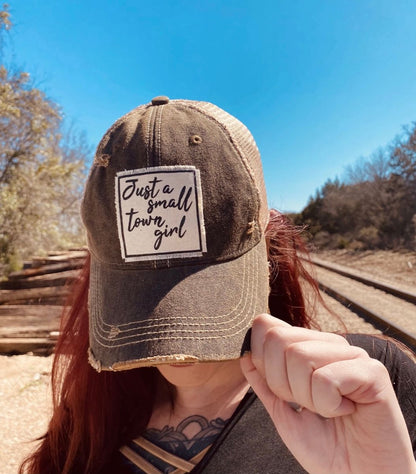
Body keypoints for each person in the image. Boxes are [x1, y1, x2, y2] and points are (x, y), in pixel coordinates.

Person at [20, 97, 416, 474]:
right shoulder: (83, 426)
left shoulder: (368, 393)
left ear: (268, 248)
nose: (175, 335)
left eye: (202, 289)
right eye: (146, 296)